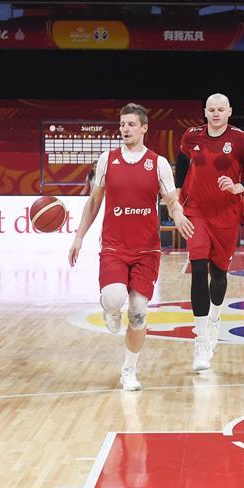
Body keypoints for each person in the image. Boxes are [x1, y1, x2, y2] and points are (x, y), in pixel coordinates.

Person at [68, 103, 193, 391]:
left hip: (146, 249)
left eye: (131, 124)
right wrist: (79, 237)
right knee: (114, 298)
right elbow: (95, 201)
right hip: (114, 245)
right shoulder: (106, 159)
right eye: (122, 124)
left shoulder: (158, 162)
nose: (125, 129)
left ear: (144, 128)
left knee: (138, 310)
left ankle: (129, 371)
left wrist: (179, 215)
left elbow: (171, 201)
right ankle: (109, 310)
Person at [175, 93, 244, 372]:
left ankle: (215, 317)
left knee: (218, 274)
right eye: (211, 110)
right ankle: (201, 338)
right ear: (205, 112)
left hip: (226, 215)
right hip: (196, 212)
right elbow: (181, 164)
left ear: (229, 112)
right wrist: (178, 199)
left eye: (220, 110)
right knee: (198, 266)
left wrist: (240, 187)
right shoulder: (191, 136)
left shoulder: (241, 140)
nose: (215, 114)